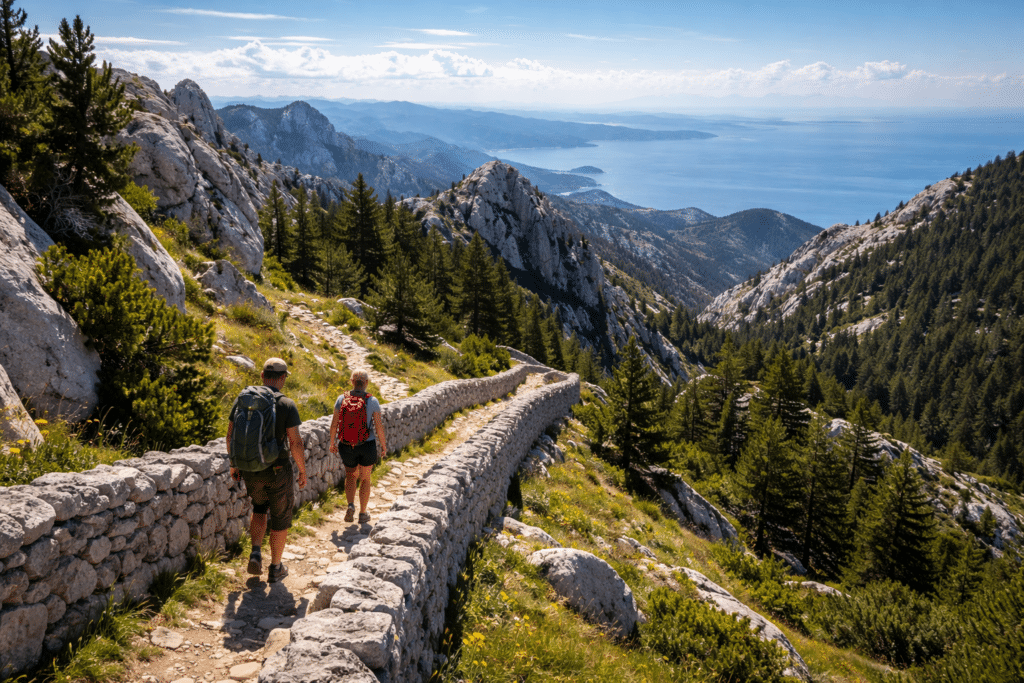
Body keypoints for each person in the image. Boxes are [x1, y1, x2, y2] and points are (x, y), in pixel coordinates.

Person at [227, 358, 307, 583]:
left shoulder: (243, 399)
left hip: (251, 468)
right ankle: (275, 567)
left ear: (262, 376)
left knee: (259, 507)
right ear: (282, 378)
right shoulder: (286, 404)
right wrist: (302, 471)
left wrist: (235, 464)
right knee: (280, 518)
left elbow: (230, 435)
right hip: (277, 469)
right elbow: (295, 443)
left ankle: (255, 552)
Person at [330, 370, 386, 524]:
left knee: (350, 475)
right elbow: (379, 427)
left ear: (351, 381)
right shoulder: (372, 401)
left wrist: (331, 442)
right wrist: (383, 445)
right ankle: (362, 513)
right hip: (367, 444)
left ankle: (350, 505)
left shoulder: (341, 399)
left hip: (347, 444)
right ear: (366, 382)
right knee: (365, 478)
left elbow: (334, 424)